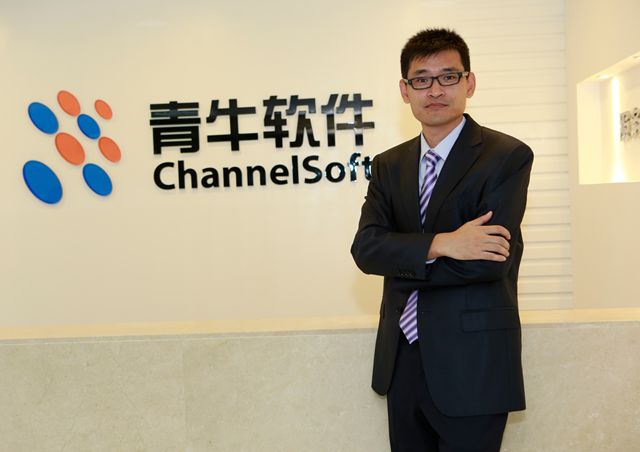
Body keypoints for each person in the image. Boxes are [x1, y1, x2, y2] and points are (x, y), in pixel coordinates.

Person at [351, 28, 533, 452]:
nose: (435, 90)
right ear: (405, 90)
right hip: (402, 361)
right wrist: (442, 244)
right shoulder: (388, 165)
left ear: (469, 83)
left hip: (473, 364)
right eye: (422, 79)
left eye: (448, 77)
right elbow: (366, 249)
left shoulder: (506, 156)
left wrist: (402, 260)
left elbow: (488, 261)